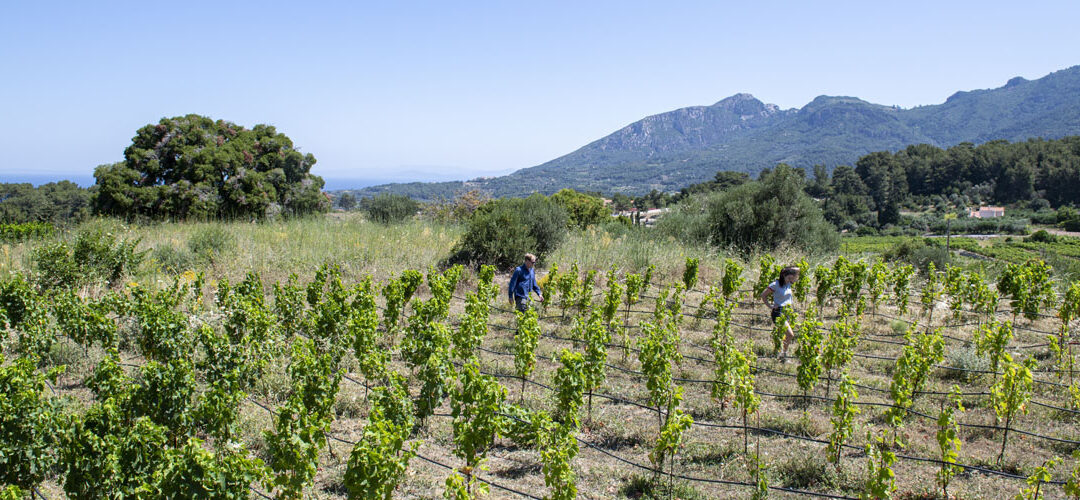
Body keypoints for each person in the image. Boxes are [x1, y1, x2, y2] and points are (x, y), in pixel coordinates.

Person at [760, 266, 799, 361]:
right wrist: (770, 306)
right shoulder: (775, 284)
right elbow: (763, 295)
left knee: (782, 334)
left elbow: (798, 270)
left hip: (787, 311)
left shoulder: (789, 284)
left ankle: (778, 353)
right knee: (790, 334)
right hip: (778, 312)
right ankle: (783, 355)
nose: (795, 277)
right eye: (793, 275)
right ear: (787, 275)